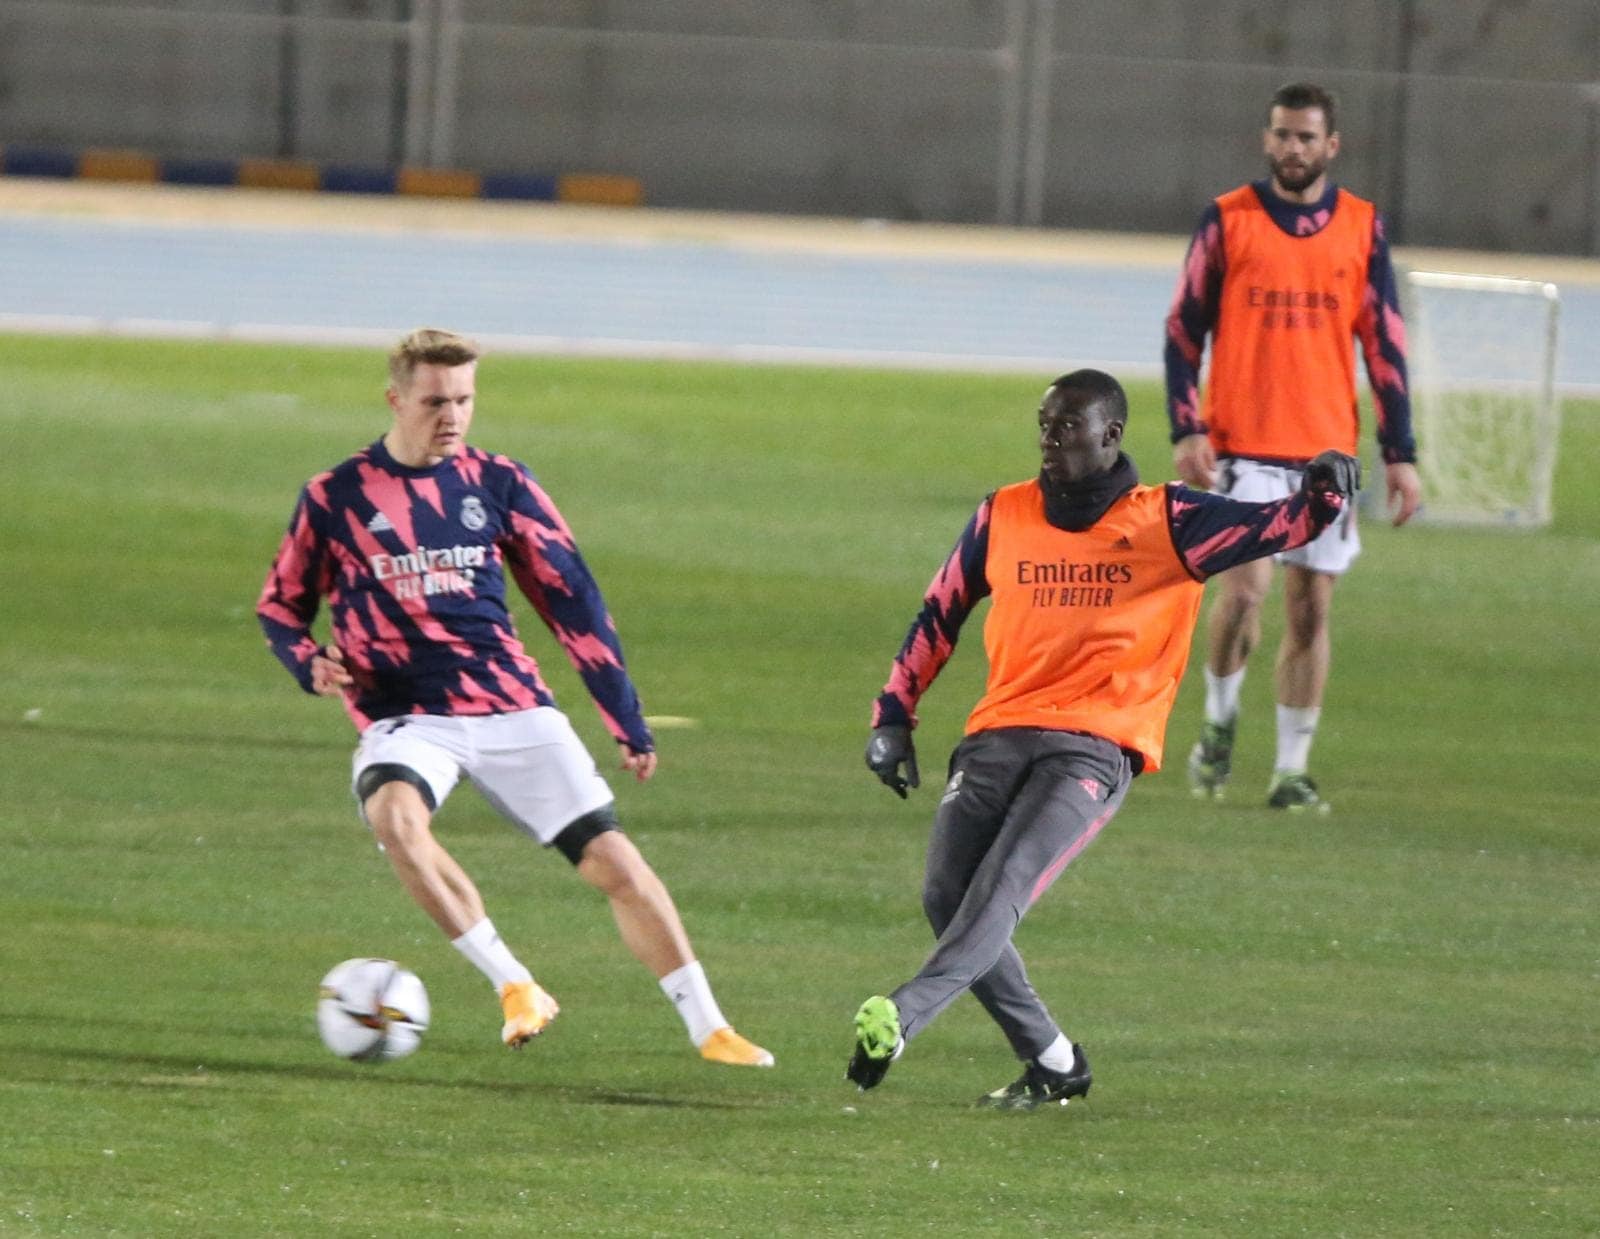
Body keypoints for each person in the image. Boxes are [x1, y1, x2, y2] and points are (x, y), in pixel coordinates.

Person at [257, 328, 772, 1067]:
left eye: (465, 399)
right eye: (437, 400)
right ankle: (515, 985)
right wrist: (308, 661)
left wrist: (624, 718)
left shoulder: (500, 483)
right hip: (408, 719)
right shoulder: (334, 496)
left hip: (513, 708)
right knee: (397, 820)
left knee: (615, 865)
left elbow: (575, 601)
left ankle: (711, 1027)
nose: (453, 415)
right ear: (396, 398)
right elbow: (280, 605)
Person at [848, 369, 1358, 1107]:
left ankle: (900, 1017)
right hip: (998, 731)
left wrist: (1326, 490)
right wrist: (893, 714)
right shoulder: (1003, 513)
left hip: (1093, 747)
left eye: (1067, 428)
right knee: (944, 893)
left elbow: (1279, 526)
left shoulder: (1171, 519)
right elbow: (940, 610)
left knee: (1000, 889)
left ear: (1111, 435)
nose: (1050, 442)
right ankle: (1054, 1061)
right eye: (1045, 426)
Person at [1164, 81, 1421, 812]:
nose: (1293, 148)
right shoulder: (1228, 221)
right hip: (1242, 448)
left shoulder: (1362, 227)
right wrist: (1188, 426)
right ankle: (1218, 718)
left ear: (1331, 146)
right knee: (1244, 594)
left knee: (1310, 611)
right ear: (1266, 138)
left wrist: (1399, 451)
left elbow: (1386, 345)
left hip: (1324, 456)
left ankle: (1290, 769)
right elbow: (1184, 329)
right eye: (1282, 134)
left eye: (1307, 137)